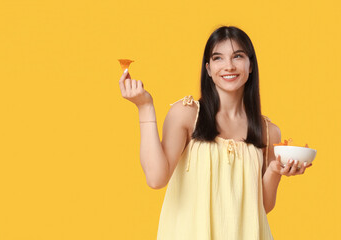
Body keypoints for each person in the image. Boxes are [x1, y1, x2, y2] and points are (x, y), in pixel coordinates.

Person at [118, 26, 313, 240]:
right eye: (218, 58)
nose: (228, 66)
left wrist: (275, 170)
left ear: (250, 66)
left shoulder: (268, 131)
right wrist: (145, 108)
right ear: (209, 69)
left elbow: (261, 208)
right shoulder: (186, 114)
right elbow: (156, 179)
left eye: (237, 56)